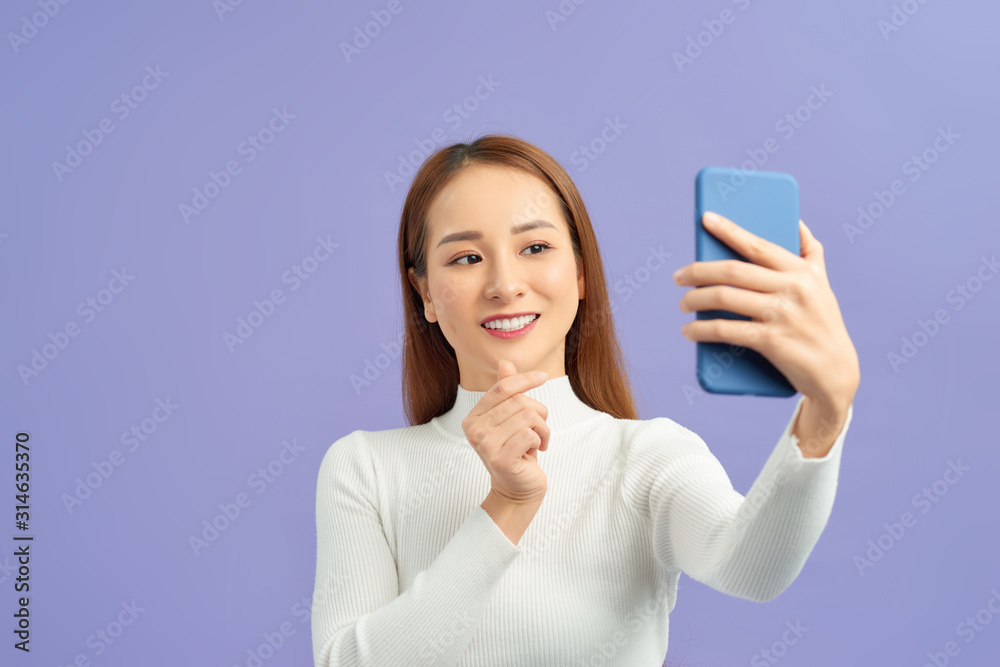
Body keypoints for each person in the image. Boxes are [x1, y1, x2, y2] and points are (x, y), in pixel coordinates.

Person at [311, 134, 860, 666]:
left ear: (579, 272)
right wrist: (505, 505)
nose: (505, 283)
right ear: (425, 292)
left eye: (535, 247)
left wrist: (826, 412)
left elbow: (753, 569)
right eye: (466, 258)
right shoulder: (365, 468)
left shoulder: (647, 457)